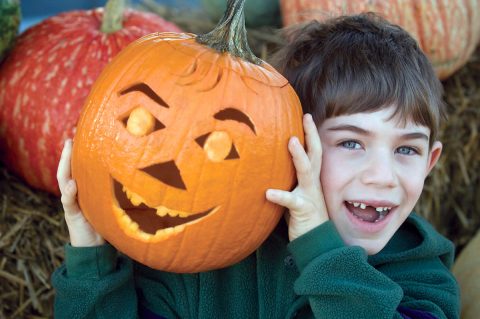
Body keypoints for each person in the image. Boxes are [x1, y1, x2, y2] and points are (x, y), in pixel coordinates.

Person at [52, 13, 460, 319]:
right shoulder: (202, 252)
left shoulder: (420, 274)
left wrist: (320, 250)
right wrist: (94, 261)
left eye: (406, 150)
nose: (381, 176)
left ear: (431, 162)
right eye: (351, 142)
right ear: (288, 146)